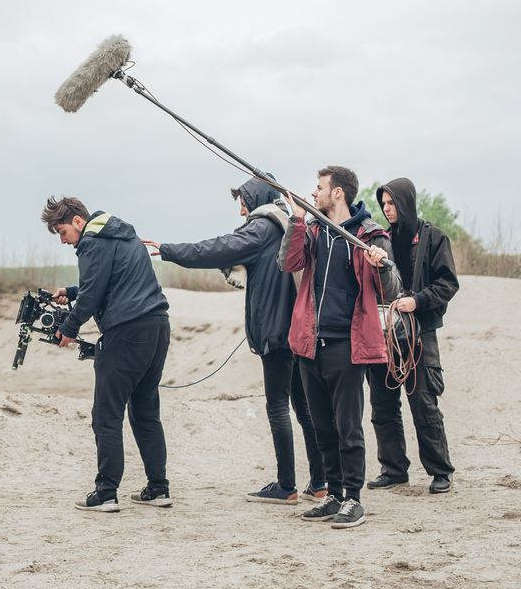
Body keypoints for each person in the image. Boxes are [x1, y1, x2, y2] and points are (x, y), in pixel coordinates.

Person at [143, 178, 326, 505]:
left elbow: (216, 248)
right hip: (295, 329)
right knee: (304, 407)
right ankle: (320, 482)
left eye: (243, 200)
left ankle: (286, 486)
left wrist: (168, 250)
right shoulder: (285, 223)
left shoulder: (262, 228)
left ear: (256, 198)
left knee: (278, 405)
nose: (241, 208)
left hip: (276, 330)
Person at [279, 165, 401, 529]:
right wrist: (296, 220)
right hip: (309, 344)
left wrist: (379, 268)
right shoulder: (314, 230)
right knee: (321, 427)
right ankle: (333, 494)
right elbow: (288, 262)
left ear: (338, 193)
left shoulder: (370, 235)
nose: (313, 193)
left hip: (347, 345)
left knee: (348, 427)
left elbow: (391, 290)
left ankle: (353, 499)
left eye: (318, 188)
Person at [42, 196, 171, 512]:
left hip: (126, 333)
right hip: (157, 327)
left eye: (62, 232)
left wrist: (68, 329)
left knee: (106, 415)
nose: (63, 241)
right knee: (144, 410)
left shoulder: (92, 243)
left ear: (76, 221)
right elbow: (107, 281)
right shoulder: (121, 234)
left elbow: (92, 296)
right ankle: (158, 488)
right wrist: (71, 293)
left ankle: (106, 493)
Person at [366, 178, 458, 494]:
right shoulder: (382, 241)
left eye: (392, 203)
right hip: (385, 332)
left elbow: (449, 284)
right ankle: (393, 470)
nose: (387, 209)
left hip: (421, 333)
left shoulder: (434, 238)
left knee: (424, 402)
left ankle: (440, 472)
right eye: (384, 204)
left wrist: (416, 300)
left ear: (406, 202)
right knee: (382, 402)